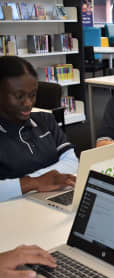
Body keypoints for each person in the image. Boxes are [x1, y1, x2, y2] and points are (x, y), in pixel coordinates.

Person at [0, 56, 78, 202]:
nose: (28, 103)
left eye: (33, 95)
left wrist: (30, 182)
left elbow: (72, 162)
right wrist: (34, 183)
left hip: (49, 198)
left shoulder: (45, 120)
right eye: (19, 96)